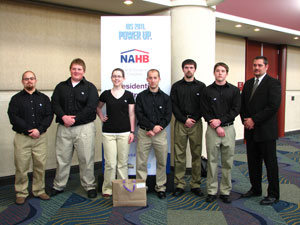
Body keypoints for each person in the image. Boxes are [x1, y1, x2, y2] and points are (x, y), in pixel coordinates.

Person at [51, 58, 99, 198]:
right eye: (74, 68)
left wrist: (74, 119)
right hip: (64, 128)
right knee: (62, 158)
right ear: (70, 70)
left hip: (84, 128)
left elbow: (91, 107)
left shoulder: (90, 87)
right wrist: (64, 117)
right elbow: (55, 103)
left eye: (79, 69)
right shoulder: (61, 86)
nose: (76, 71)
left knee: (86, 158)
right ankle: (58, 186)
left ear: (84, 71)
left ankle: (89, 185)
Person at [7, 71, 53, 205]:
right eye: (26, 79)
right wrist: (29, 130)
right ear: (22, 81)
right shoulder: (16, 99)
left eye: (31, 78)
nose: (29, 81)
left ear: (36, 80)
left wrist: (39, 130)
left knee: (40, 165)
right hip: (23, 138)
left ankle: (39, 190)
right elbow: (13, 117)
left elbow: (49, 115)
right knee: (21, 166)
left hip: (40, 137)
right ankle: (21, 192)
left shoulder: (44, 98)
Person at [240, 56, 281, 205]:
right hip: (250, 131)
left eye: (259, 65)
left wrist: (254, 120)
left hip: (266, 131)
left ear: (266, 67)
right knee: (253, 162)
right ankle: (255, 188)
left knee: (270, 164)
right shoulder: (248, 83)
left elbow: (273, 106)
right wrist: (246, 121)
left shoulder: (274, 83)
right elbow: (243, 105)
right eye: (254, 65)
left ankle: (273, 194)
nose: (256, 68)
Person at [201, 62, 241, 203]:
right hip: (212, 130)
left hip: (228, 129)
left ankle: (225, 191)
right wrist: (216, 125)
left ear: (226, 73)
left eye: (223, 71)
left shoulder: (234, 91)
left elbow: (235, 110)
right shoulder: (207, 91)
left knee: (227, 162)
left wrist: (221, 122)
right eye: (217, 70)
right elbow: (204, 110)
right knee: (212, 161)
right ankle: (211, 191)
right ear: (214, 73)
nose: (220, 73)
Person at [97, 68, 135, 197]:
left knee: (122, 163)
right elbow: (98, 107)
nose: (117, 78)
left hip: (124, 133)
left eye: (119, 76)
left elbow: (131, 114)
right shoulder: (106, 94)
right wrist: (101, 117)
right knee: (110, 164)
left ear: (123, 78)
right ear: (111, 78)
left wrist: (132, 131)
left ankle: (123, 188)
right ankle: (107, 189)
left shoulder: (129, 95)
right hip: (108, 133)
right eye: (114, 76)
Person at [170, 59, 206, 197]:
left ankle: (195, 184)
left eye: (191, 67)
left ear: (195, 69)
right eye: (186, 67)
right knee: (179, 154)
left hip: (196, 123)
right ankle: (179, 184)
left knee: (196, 154)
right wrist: (184, 119)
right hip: (180, 122)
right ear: (183, 69)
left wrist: (193, 119)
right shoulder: (176, 86)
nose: (189, 70)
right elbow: (173, 106)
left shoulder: (202, 87)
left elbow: (203, 106)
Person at [135, 69, 172, 199]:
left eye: (155, 77)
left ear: (159, 79)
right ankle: (141, 188)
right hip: (144, 133)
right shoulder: (140, 97)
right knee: (141, 163)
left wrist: (158, 128)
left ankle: (160, 187)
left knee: (162, 161)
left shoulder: (166, 98)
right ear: (147, 80)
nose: (152, 80)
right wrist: (151, 127)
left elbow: (168, 116)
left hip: (160, 134)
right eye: (150, 78)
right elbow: (139, 114)